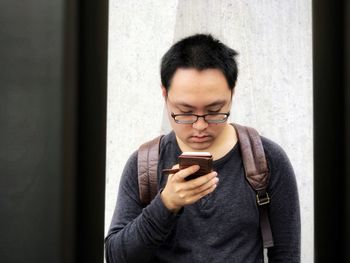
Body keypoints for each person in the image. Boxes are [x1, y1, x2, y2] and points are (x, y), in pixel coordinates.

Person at [105, 34, 300, 262]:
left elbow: (286, 255)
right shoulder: (144, 165)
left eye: (214, 110)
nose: (200, 126)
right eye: (185, 112)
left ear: (232, 93)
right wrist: (166, 204)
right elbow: (116, 256)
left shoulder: (265, 160)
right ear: (165, 94)